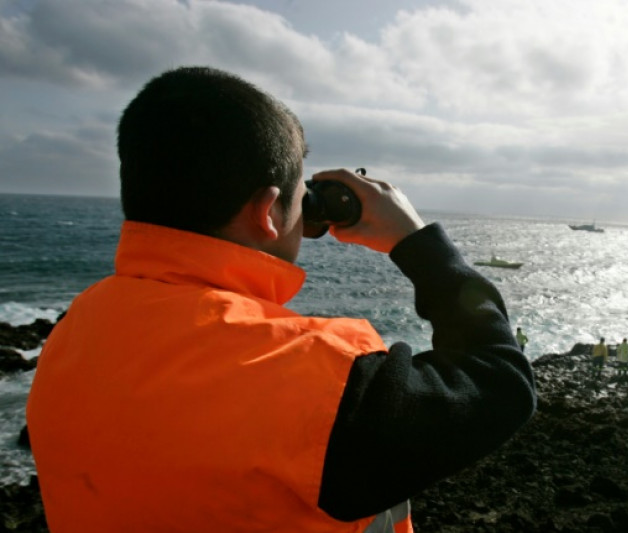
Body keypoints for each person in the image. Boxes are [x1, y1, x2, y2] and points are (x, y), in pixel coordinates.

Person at [26, 66, 536, 532]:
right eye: (299, 200)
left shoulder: (76, 329)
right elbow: (500, 382)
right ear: (269, 212)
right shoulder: (314, 376)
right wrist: (416, 240)